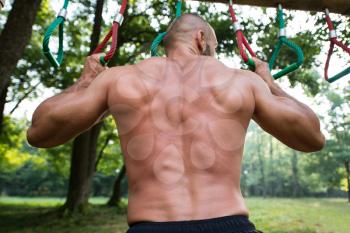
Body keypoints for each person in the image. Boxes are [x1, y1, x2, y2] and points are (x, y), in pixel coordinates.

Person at [27, 13, 325, 233]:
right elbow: (313, 137)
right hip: (229, 226)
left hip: (151, 227)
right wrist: (269, 83)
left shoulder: (120, 79)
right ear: (201, 39)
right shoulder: (241, 81)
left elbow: (40, 131)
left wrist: (84, 82)